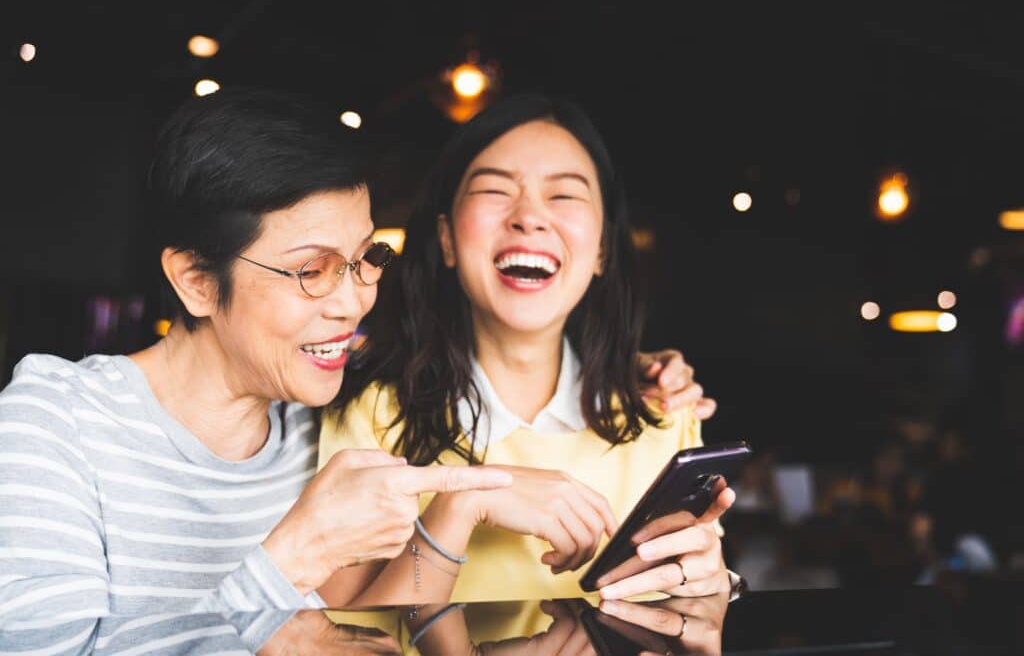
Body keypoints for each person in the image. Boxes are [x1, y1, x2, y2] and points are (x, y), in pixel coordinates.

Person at [0, 88, 708, 649]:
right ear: (194, 280)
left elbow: (378, 632)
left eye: (366, 260)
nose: (353, 303)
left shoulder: (326, 417)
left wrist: (636, 370)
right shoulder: (56, 421)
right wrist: (279, 591)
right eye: (311, 270)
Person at [319, 94, 735, 604]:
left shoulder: (664, 414)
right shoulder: (372, 418)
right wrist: (460, 505)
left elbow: (694, 604)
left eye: (564, 195)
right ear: (446, 239)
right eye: (495, 190)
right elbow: (337, 631)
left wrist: (716, 589)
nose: (530, 217)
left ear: (602, 248)